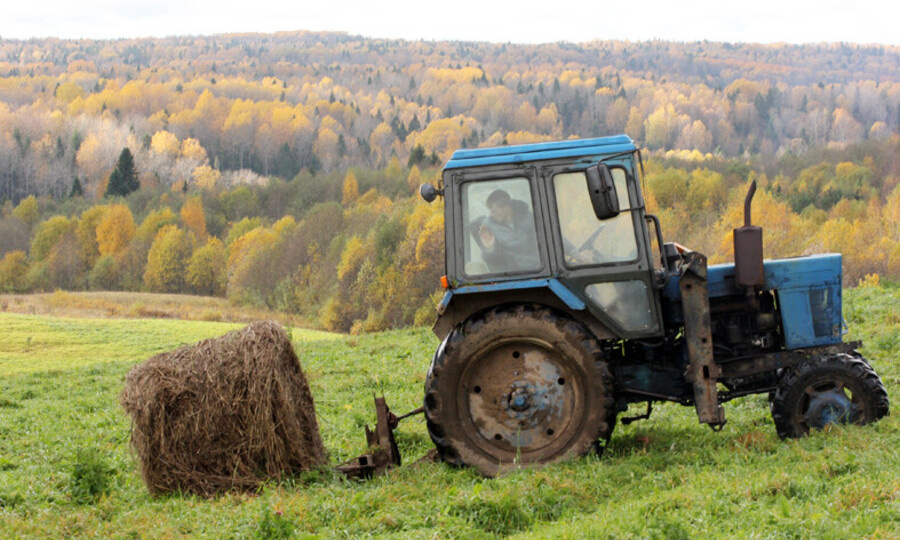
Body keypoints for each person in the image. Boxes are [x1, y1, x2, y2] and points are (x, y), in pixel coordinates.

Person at [474, 189, 540, 272]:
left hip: (539, 269)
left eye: (494, 211)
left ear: (507, 208)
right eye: (490, 212)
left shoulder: (531, 219)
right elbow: (491, 261)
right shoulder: (489, 226)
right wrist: (490, 248)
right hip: (511, 272)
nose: (491, 215)